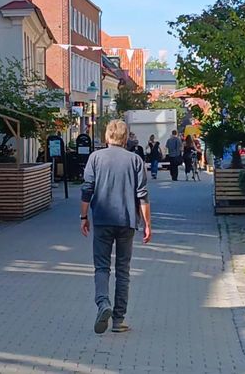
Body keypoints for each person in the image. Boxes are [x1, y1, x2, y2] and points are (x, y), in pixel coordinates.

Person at [81, 119, 152, 334]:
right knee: (123, 270)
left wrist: (83, 216)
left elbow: (87, 189)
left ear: (107, 137)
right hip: (127, 221)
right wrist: (147, 224)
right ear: (126, 137)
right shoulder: (135, 160)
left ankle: (103, 304)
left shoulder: (95, 158)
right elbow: (143, 196)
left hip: (102, 220)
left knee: (102, 267)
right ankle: (119, 319)